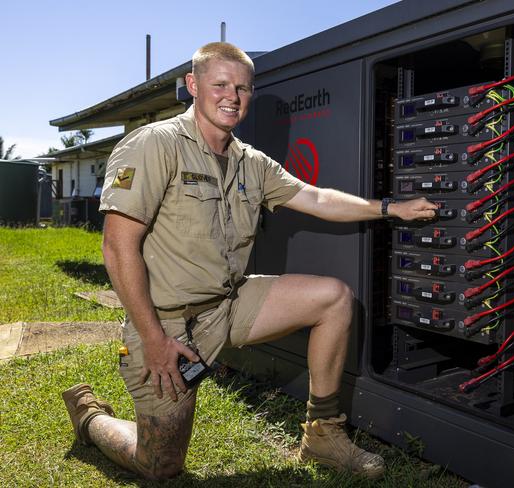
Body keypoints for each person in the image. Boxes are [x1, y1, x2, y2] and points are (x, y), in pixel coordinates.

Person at [62, 42, 438, 481]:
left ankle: (322, 435)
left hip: (228, 304)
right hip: (167, 324)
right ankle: (90, 417)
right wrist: (155, 338)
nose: (231, 96)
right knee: (160, 466)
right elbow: (117, 247)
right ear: (192, 86)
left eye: (242, 87)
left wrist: (390, 208)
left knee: (333, 299)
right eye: (219, 84)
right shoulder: (155, 145)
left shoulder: (250, 162)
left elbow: (315, 197)